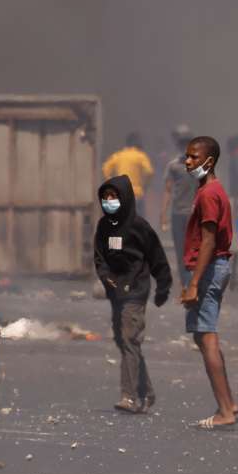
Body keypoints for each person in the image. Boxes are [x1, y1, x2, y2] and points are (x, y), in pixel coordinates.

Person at [95, 175, 172, 414]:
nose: (109, 201)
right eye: (106, 197)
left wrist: (163, 287)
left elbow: (157, 258)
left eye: (114, 197)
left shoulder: (140, 227)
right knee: (126, 342)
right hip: (115, 291)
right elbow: (99, 258)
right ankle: (147, 392)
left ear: (125, 198)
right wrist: (106, 276)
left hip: (136, 290)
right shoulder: (104, 226)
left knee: (129, 340)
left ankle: (129, 396)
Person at [181, 136, 238, 429]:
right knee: (204, 337)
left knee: (207, 338)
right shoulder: (208, 190)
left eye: (193, 157)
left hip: (210, 267)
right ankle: (230, 402)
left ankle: (225, 411)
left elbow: (208, 241)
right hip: (214, 267)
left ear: (209, 161)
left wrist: (194, 283)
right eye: (186, 157)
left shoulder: (208, 194)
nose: (187, 162)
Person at [160, 125, 196, 268]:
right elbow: (168, 190)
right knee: (180, 252)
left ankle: (193, 283)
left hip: (196, 214)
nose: (183, 145)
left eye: (186, 142)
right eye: (181, 142)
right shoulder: (173, 166)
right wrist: (163, 213)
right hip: (178, 214)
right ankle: (185, 285)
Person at [102, 132, 155, 207]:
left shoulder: (118, 155)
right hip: (136, 194)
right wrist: (144, 186)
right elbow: (149, 172)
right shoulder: (141, 156)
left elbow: (105, 169)